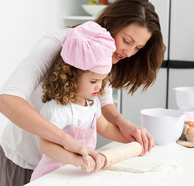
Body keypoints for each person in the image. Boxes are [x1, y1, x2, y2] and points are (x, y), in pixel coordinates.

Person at [0, 0, 164, 185]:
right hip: (24, 161)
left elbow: (102, 101)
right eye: (127, 41)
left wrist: (124, 124)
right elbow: (7, 101)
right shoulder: (56, 43)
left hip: (66, 169)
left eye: (138, 48)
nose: (129, 52)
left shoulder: (107, 55)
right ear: (109, 22)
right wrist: (68, 142)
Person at [30, 21, 129, 181]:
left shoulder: (92, 103)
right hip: (53, 176)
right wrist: (76, 159)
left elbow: (105, 127)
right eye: (93, 81)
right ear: (72, 76)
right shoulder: (58, 109)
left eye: (101, 81)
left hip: (77, 174)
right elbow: (46, 145)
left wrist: (133, 140)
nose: (98, 87)